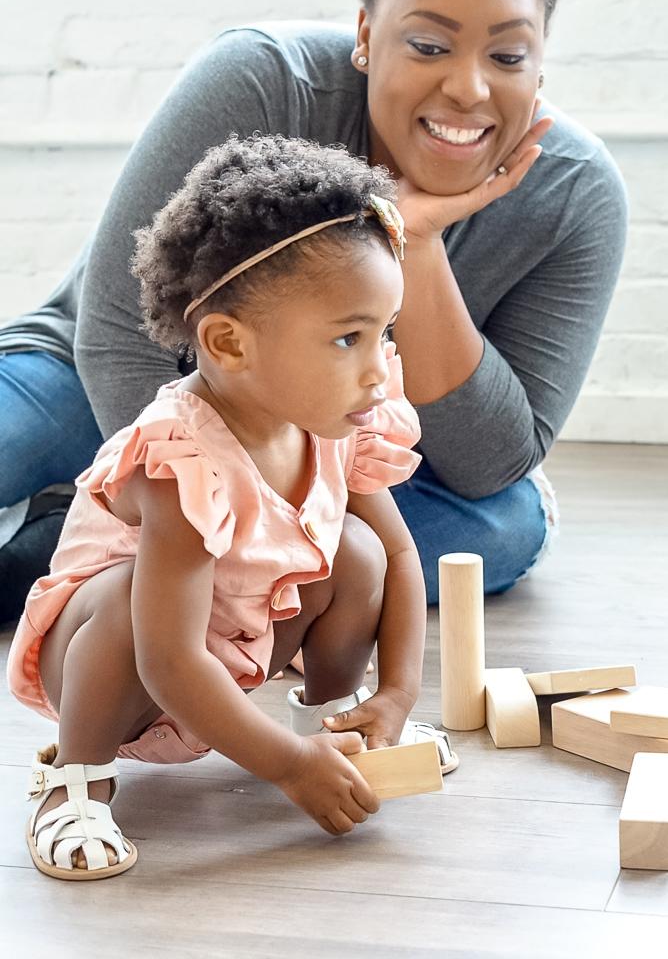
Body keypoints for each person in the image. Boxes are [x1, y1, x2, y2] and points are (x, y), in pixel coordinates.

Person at [0, 0, 628, 609]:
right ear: (365, 34)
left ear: (540, 61)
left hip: (329, 447)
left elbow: (489, 465)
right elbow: (113, 337)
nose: (468, 88)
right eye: (429, 46)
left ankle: (63, 560)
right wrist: (198, 502)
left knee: (504, 528)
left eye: (507, 54)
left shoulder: (576, 195)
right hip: (112, 389)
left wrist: (418, 246)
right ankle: (179, 559)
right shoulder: (265, 80)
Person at [9, 134, 460, 881]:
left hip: (231, 658)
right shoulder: (179, 457)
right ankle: (74, 784)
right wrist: (287, 769)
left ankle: (333, 718)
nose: (380, 370)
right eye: (348, 338)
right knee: (128, 599)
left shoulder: (334, 418)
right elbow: (168, 657)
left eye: (384, 334)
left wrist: (395, 695)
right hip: (122, 677)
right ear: (229, 343)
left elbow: (403, 558)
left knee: (357, 550)